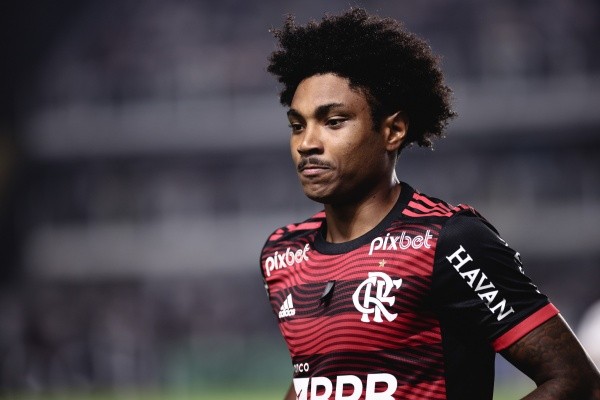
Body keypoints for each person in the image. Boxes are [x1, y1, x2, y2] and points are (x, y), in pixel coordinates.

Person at [259, 8, 600, 400]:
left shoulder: (449, 240)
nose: (307, 143)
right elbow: (317, 378)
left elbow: (577, 382)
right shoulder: (282, 254)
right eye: (297, 125)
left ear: (393, 130)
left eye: (333, 121)